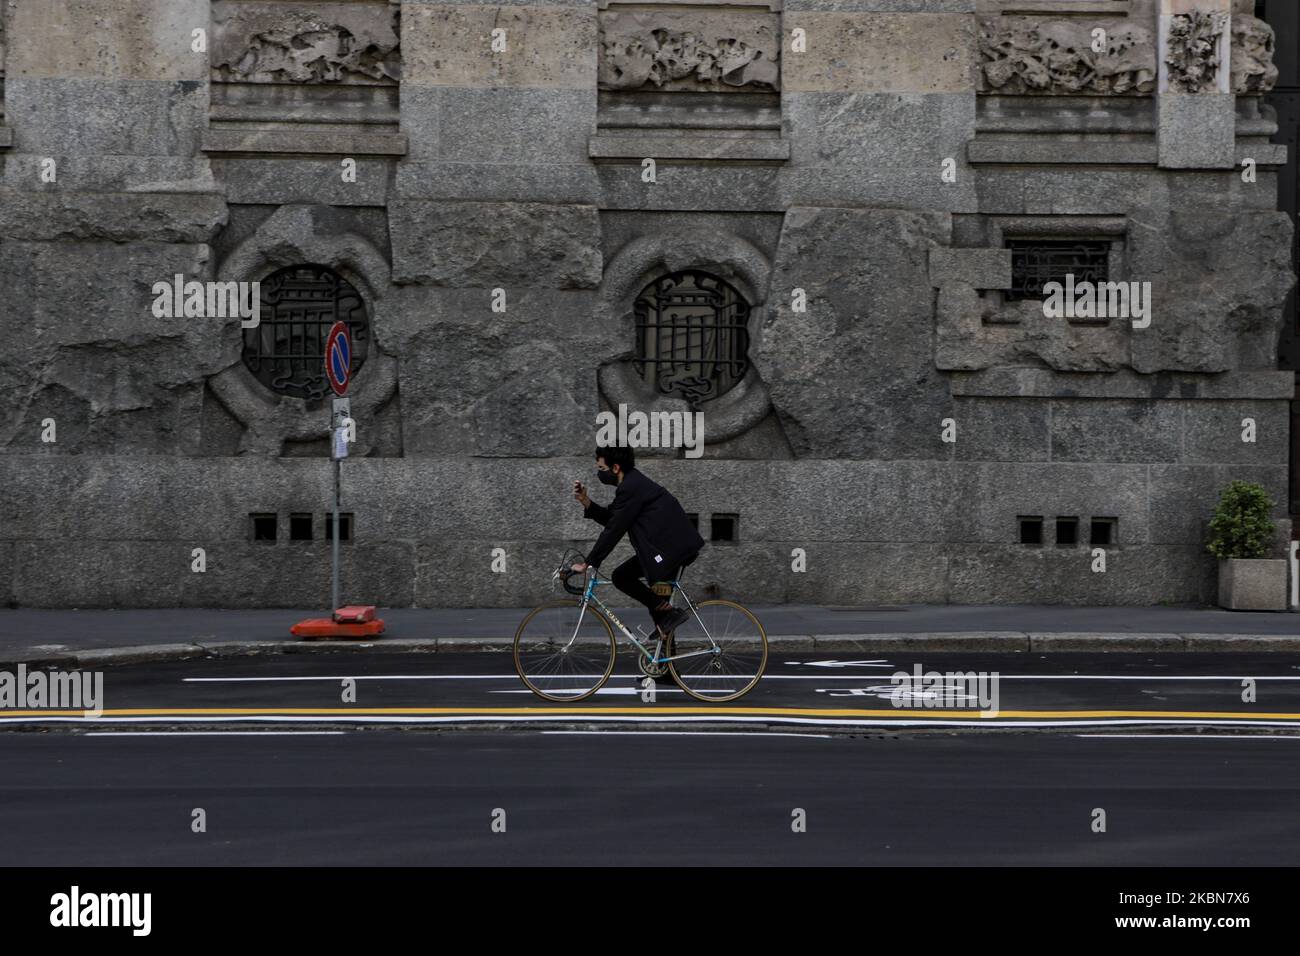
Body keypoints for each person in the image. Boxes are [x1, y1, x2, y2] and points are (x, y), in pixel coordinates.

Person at [570, 445, 705, 637]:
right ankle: (665, 661)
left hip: (670, 552)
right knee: (661, 614)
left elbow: (614, 530)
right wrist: (586, 501)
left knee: (623, 579)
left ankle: (667, 648)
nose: (599, 474)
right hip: (665, 550)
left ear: (615, 468)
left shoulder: (631, 488)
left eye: (601, 469)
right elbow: (613, 519)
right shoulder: (631, 484)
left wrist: (588, 563)